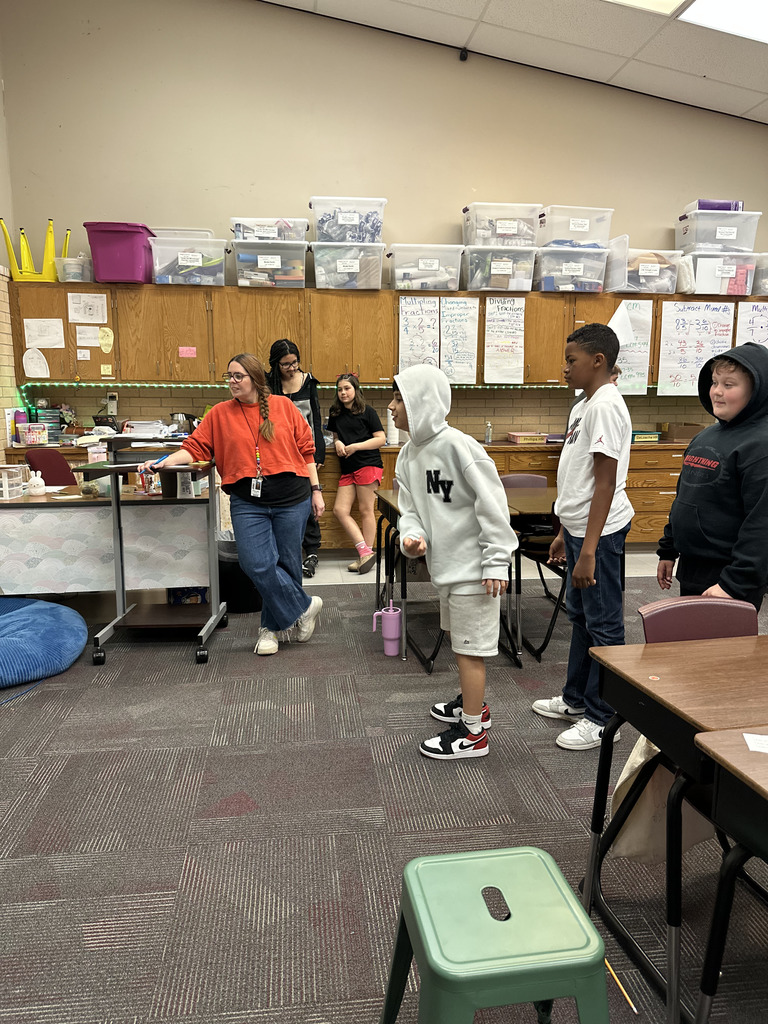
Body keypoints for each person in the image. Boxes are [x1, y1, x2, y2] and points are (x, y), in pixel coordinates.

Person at [138, 353, 324, 656]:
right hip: (247, 501)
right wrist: (163, 462)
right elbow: (194, 447)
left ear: (254, 378)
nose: (232, 382)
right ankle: (303, 606)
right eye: (229, 376)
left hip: (292, 497)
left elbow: (307, 450)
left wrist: (316, 490)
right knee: (255, 563)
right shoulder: (220, 414)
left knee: (287, 565)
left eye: (238, 376)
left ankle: (270, 630)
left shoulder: (283, 407)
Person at [388, 364, 517, 760]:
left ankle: (474, 733)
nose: (391, 407)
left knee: (469, 651)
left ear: (421, 402)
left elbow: (493, 504)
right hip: (447, 569)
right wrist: (414, 538)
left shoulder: (459, 446)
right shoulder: (408, 455)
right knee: (463, 644)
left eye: (399, 399)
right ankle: (473, 704)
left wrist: (497, 560)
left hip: (475, 571)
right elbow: (409, 510)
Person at [532, 323, 633, 751]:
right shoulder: (582, 406)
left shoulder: (606, 406)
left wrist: (589, 549)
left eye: (571, 360)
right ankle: (575, 700)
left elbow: (605, 485)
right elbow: (576, 473)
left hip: (602, 534)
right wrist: (562, 532)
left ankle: (602, 715)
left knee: (605, 624)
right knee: (580, 616)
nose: (565, 367)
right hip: (577, 529)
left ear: (598, 362)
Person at [657, 342, 768, 609]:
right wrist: (668, 550)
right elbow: (684, 497)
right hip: (693, 564)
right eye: (715, 382)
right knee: (692, 646)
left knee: (721, 650)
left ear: (757, 390)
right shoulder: (706, 436)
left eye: (729, 385)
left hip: (729, 575)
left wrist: (733, 584)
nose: (717, 391)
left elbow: (762, 524)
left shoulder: (761, 445)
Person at [266, 339, 326, 579]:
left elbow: (316, 419)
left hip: (305, 451)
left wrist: (318, 452)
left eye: (295, 363)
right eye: (286, 364)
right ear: (275, 364)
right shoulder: (269, 384)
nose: (292, 368)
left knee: (310, 500)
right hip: (279, 453)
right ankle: (284, 554)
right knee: (287, 505)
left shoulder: (308, 381)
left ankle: (311, 552)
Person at [328, 373, 386, 574]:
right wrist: (337, 442)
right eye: (340, 389)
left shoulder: (367, 412)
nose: (343, 392)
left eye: (347, 388)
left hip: (367, 464)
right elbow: (335, 436)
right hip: (348, 468)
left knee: (365, 510)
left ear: (356, 390)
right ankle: (365, 553)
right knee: (339, 510)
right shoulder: (335, 413)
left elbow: (380, 439)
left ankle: (365, 555)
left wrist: (356, 447)